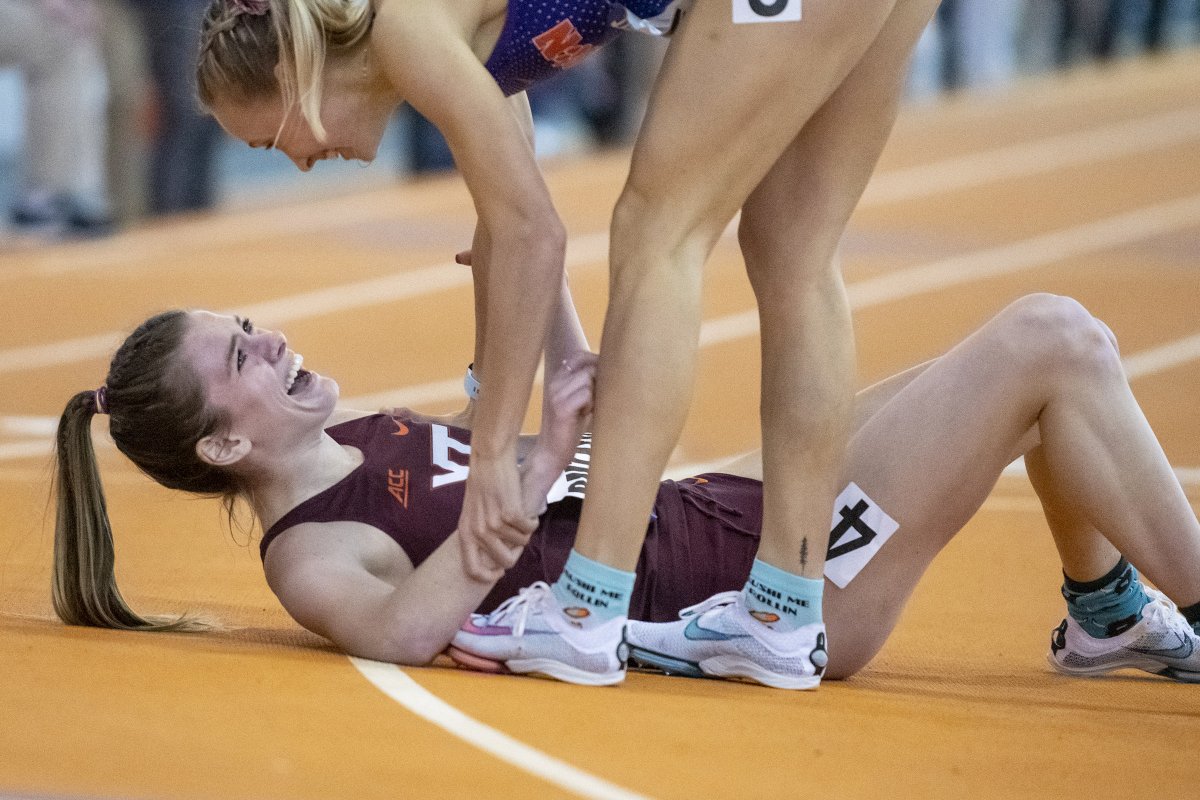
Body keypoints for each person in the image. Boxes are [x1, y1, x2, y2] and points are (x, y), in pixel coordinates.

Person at [194, 0, 945, 690]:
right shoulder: (439, 37)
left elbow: (532, 235)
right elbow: (508, 225)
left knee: (659, 232)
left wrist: (491, 460)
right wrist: (492, 397)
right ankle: (781, 612)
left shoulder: (404, 25)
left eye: (267, 138)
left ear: (294, 72)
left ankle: (586, 609)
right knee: (796, 249)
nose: (290, 161)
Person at [52, 292, 1200, 685]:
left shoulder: (363, 434)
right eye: (241, 358)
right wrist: (544, 457)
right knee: (1051, 343)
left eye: (249, 326)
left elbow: (562, 411)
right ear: (217, 450)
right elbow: (404, 631)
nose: (272, 341)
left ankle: (1106, 619)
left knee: (1033, 372)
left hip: (719, 504)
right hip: (770, 590)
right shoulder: (310, 554)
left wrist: (534, 287)